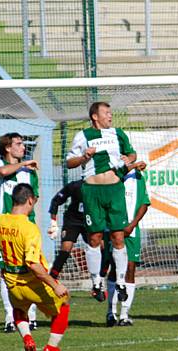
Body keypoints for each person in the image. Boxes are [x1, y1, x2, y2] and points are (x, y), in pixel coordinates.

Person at [0, 183, 70, 351]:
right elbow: (33, 264)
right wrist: (55, 284)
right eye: (34, 199)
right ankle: (51, 349)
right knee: (64, 304)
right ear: (29, 200)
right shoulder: (29, 228)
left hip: (11, 282)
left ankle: (28, 340)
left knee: (20, 309)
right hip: (32, 282)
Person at [66, 101, 137, 303]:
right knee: (95, 237)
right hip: (92, 190)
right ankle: (96, 281)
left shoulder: (118, 133)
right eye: (106, 113)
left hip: (114, 189)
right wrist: (83, 157)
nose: (110, 116)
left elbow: (132, 154)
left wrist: (128, 158)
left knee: (118, 237)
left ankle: (121, 282)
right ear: (95, 117)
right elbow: (69, 162)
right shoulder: (82, 136)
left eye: (111, 113)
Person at [0, 132, 39, 333]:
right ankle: (10, 317)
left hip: (27, 226)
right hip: (6, 228)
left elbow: (34, 197)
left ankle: (32, 316)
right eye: (18, 144)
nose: (23, 147)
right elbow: (2, 171)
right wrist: (23, 164)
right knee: (6, 273)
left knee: (32, 269)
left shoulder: (30, 173)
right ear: (8, 148)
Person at [105, 162, 150, 327]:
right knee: (115, 268)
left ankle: (124, 314)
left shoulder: (138, 177)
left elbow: (145, 203)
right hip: (113, 228)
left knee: (130, 267)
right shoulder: (112, 175)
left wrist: (132, 225)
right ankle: (111, 313)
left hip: (131, 231)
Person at [46, 179, 87, 281]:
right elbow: (55, 201)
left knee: (102, 247)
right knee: (66, 248)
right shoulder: (75, 186)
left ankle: (99, 282)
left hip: (92, 220)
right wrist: (53, 224)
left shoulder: (102, 186)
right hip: (73, 220)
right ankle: (51, 279)